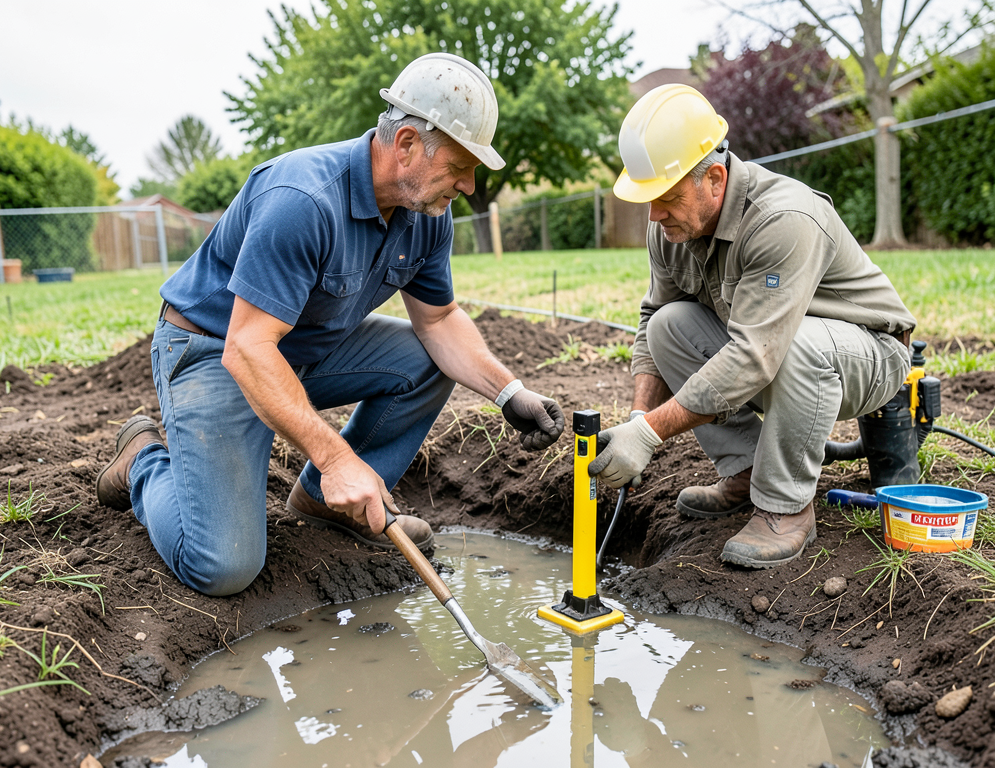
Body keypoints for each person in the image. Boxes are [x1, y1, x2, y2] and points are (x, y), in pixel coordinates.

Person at [96, 53, 565, 596]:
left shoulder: (428, 215)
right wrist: (337, 456)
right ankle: (143, 462)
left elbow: (438, 321)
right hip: (215, 350)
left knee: (426, 361)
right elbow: (248, 348)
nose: (466, 185)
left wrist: (510, 393)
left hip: (301, 346)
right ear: (407, 143)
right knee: (222, 566)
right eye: (460, 167)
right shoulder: (302, 200)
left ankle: (324, 500)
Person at [589, 84, 916, 568]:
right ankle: (745, 469)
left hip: (868, 356)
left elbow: (754, 354)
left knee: (798, 344)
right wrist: (640, 419)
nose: (654, 215)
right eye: (648, 200)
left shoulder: (783, 218)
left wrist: (653, 433)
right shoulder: (671, 228)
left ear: (715, 179)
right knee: (667, 326)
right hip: (778, 357)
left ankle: (785, 507)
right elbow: (649, 319)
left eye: (666, 198)